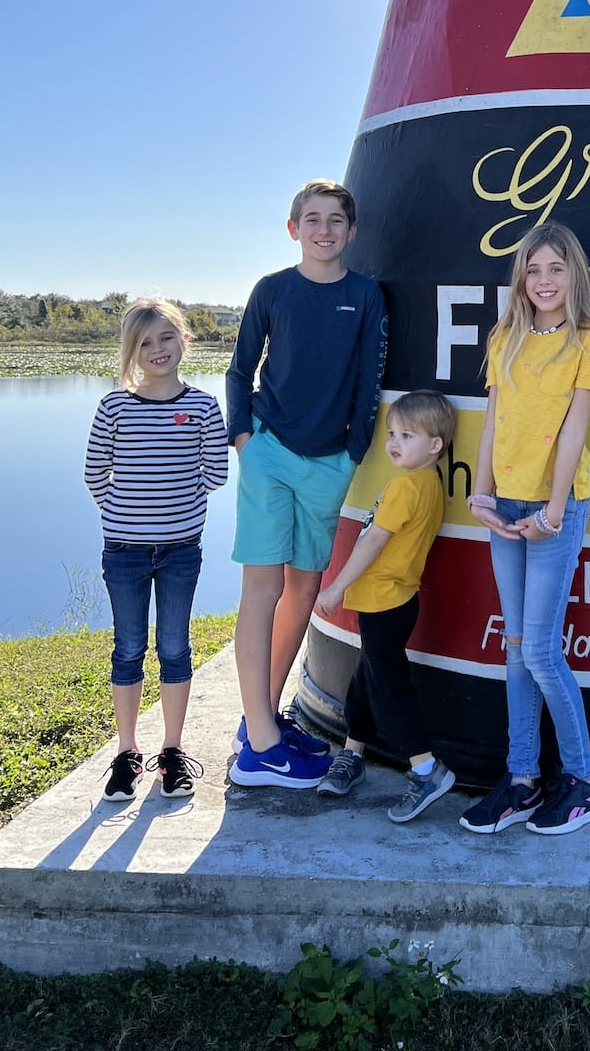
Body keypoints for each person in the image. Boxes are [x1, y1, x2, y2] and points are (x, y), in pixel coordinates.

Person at [226, 180, 387, 788]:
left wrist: (350, 455)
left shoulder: (364, 295)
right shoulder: (273, 290)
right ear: (294, 228)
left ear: (351, 231)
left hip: (329, 463)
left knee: (304, 587)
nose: (324, 230)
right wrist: (245, 440)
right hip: (269, 453)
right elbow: (240, 369)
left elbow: (370, 383)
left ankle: (257, 720)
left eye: (336, 220)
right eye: (312, 219)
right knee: (262, 590)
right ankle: (261, 752)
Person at [460, 222, 590, 836]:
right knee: (518, 650)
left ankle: (584, 782)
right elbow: (493, 424)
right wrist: (480, 492)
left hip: (557, 507)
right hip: (504, 504)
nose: (544, 281)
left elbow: (575, 433)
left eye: (555, 269)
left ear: (574, 274)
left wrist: (552, 513)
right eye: (533, 270)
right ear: (520, 279)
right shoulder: (506, 338)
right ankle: (522, 781)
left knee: (544, 651)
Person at [84, 299, 228, 802]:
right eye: (144, 343)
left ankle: (171, 752)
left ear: (184, 340)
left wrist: (173, 515)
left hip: (180, 550)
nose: (157, 350)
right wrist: (126, 514)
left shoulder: (205, 407)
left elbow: (216, 474)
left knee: (174, 646)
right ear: (131, 351)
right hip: (122, 549)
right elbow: (94, 475)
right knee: (128, 649)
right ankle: (127, 755)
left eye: (166, 338)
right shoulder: (114, 406)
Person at [314, 390, 458, 822]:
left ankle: (426, 768)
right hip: (394, 601)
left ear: (435, 445)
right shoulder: (429, 482)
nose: (394, 442)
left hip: (384, 601)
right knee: (368, 675)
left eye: (408, 435)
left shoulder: (404, 487)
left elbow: (374, 540)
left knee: (390, 687)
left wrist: (336, 586)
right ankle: (353, 753)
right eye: (393, 433)